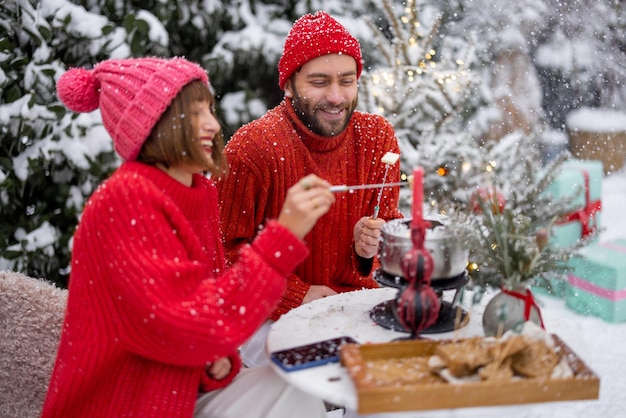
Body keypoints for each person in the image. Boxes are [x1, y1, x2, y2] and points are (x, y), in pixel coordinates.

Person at [42, 57, 333, 418]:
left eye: (210, 109)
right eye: (195, 114)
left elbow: (198, 305)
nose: (213, 124)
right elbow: (187, 326)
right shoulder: (125, 200)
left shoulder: (197, 191)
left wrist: (212, 361)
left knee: (295, 387)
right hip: (130, 405)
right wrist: (283, 236)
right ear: (153, 124)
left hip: (179, 394)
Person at [215, 11, 403, 367]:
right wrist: (296, 295)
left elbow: (390, 240)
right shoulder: (252, 148)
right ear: (289, 84)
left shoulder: (378, 139)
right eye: (319, 82)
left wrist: (371, 249)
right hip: (272, 316)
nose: (336, 96)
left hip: (358, 310)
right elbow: (220, 256)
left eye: (346, 81)